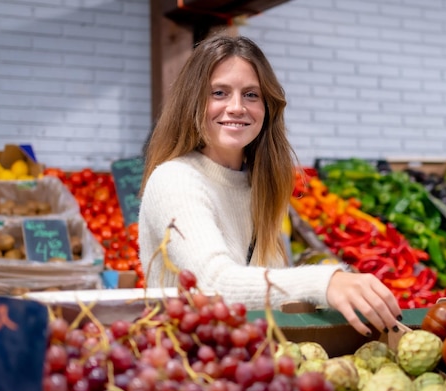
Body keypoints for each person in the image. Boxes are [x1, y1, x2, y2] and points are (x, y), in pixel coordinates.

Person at [138, 34, 402, 336]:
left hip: (244, 362)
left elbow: (266, 290)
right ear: (193, 101)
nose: (237, 107)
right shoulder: (175, 179)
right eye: (220, 93)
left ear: (267, 107)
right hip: (187, 368)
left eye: (251, 95)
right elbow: (212, 285)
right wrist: (325, 282)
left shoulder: (260, 186)